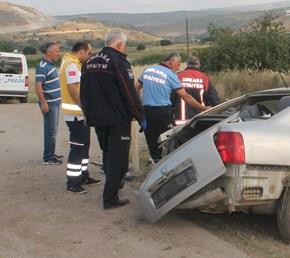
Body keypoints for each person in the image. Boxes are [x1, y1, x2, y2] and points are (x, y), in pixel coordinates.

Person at [81, 31, 145, 210]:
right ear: (119, 45)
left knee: (108, 153)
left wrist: (88, 114)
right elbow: (129, 92)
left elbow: (84, 92)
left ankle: (115, 185)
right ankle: (110, 199)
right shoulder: (119, 62)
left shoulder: (89, 62)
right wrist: (140, 116)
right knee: (119, 159)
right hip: (117, 119)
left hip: (98, 119)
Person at [137, 53, 207, 164]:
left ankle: (155, 162)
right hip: (163, 112)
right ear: (172, 61)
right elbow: (186, 97)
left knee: (152, 140)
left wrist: (138, 106)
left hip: (147, 111)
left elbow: (136, 88)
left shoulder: (147, 70)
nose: (178, 68)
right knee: (168, 140)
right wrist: (203, 108)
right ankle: (168, 167)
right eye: (178, 64)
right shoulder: (170, 75)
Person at [59, 41, 101, 194]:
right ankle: (73, 182)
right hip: (76, 115)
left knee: (84, 147)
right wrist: (83, 106)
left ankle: (83, 175)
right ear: (81, 51)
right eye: (89, 53)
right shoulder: (72, 65)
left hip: (78, 115)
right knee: (77, 148)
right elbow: (73, 88)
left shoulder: (70, 61)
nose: (90, 56)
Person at [35, 42, 63, 165]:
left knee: (53, 130)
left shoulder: (50, 65)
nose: (58, 53)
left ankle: (51, 152)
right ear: (48, 52)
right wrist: (43, 102)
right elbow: (38, 85)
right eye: (56, 51)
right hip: (49, 103)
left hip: (55, 102)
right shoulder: (42, 66)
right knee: (50, 131)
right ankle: (48, 158)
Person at [174, 56, 219, 125]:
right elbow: (214, 100)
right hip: (200, 120)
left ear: (187, 64)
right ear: (199, 65)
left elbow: (169, 97)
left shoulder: (177, 76)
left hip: (179, 122)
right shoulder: (204, 78)